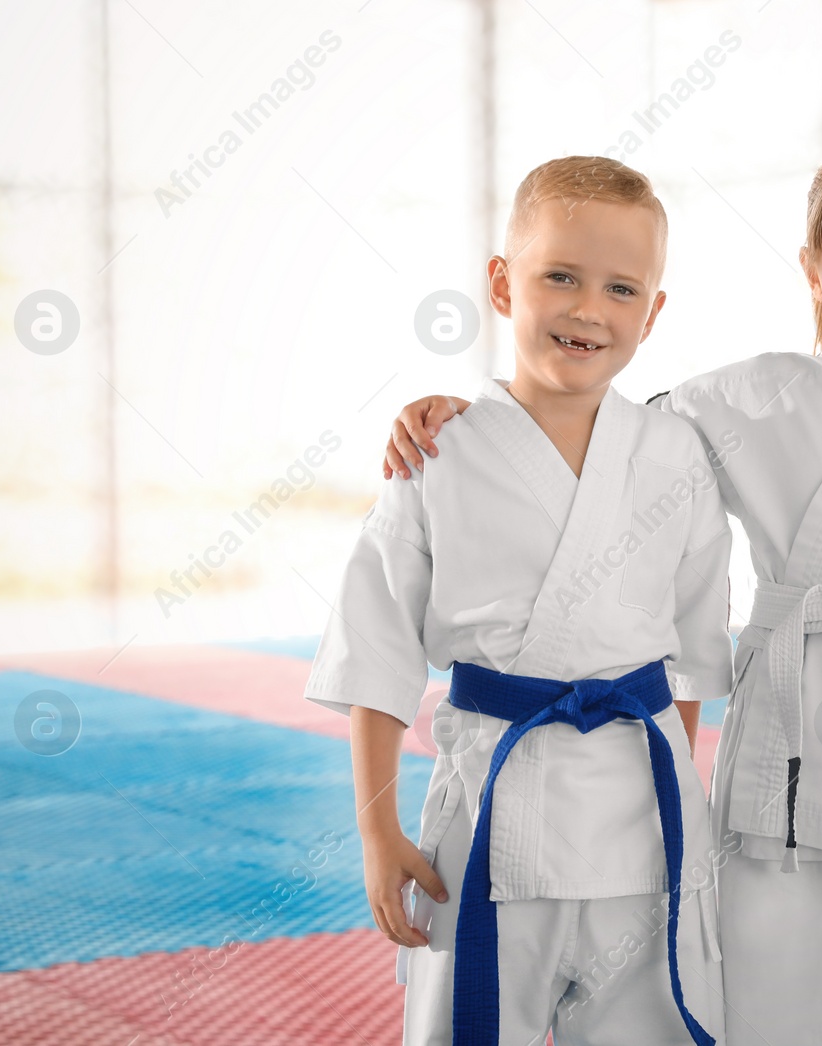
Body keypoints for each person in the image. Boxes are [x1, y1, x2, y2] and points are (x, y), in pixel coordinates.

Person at [381, 133, 822, 1045]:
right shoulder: (753, 396)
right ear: (813, 272)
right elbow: (599, 430)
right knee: (775, 1017)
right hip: (786, 788)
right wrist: (466, 421)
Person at [306, 155, 731, 1045]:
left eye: (621, 288)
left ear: (652, 314)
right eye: (560, 277)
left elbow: (692, 652)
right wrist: (378, 834)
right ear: (503, 285)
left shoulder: (675, 455)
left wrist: (678, 809)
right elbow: (376, 651)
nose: (588, 309)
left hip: (644, 837)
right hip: (489, 825)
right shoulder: (438, 454)